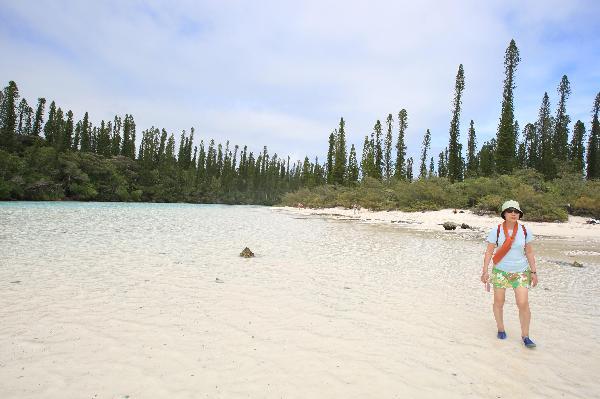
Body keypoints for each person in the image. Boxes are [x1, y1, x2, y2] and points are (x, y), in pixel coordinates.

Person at [481, 200, 538, 348]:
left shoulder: (525, 231)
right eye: (510, 210)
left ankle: (526, 336)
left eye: (516, 211)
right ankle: (500, 328)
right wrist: (485, 271)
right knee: (499, 302)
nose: (514, 213)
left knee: (523, 303)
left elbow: (529, 252)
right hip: (500, 271)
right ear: (504, 214)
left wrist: (534, 272)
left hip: (521, 271)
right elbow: (489, 251)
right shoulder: (497, 230)